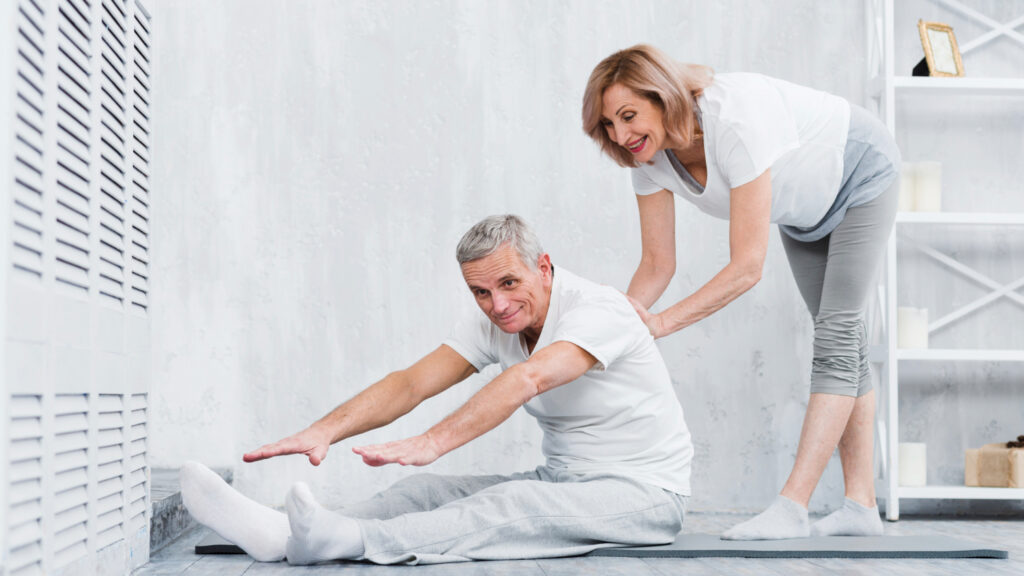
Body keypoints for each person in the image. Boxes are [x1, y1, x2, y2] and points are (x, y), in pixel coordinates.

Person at [181, 214, 693, 565]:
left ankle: (353, 540)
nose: (497, 305)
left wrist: (430, 442)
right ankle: (286, 536)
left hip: (644, 494)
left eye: (509, 283)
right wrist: (323, 430)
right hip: (562, 479)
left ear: (543, 267)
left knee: (513, 503)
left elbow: (528, 378)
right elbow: (409, 384)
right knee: (422, 492)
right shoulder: (499, 319)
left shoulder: (599, 310)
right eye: (481, 292)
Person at [581, 45, 900, 540]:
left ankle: (793, 506)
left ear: (662, 98)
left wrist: (661, 324)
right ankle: (862, 507)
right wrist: (620, 325)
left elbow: (747, 267)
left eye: (628, 116)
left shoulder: (736, 118)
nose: (621, 136)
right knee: (844, 342)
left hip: (860, 174)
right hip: (803, 211)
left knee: (837, 337)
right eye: (608, 125)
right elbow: (656, 264)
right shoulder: (645, 158)